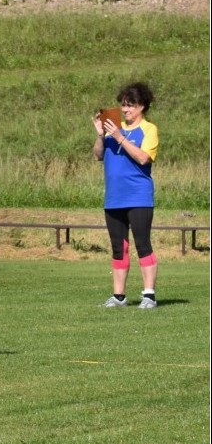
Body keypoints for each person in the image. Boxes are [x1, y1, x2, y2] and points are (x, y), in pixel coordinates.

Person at [92, 82, 160, 309]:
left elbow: (143, 158)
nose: (125, 109)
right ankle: (119, 296)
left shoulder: (148, 130)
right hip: (114, 198)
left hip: (138, 197)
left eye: (130, 105)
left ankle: (149, 295)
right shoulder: (113, 129)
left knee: (142, 244)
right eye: (123, 105)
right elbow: (97, 156)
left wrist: (120, 137)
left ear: (142, 106)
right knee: (118, 247)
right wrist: (101, 136)